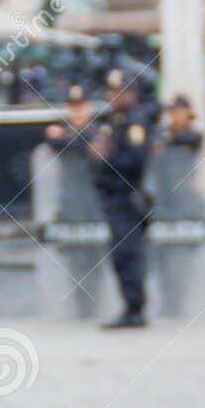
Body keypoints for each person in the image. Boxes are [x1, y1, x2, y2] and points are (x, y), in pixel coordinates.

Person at [46, 68, 152, 328]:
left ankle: (135, 309)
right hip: (112, 195)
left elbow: (136, 160)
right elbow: (83, 143)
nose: (114, 97)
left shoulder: (134, 122)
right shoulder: (115, 120)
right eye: (112, 92)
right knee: (120, 253)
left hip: (127, 195)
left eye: (119, 92)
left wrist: (107, 158)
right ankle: (130, 306)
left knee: (127, 253)